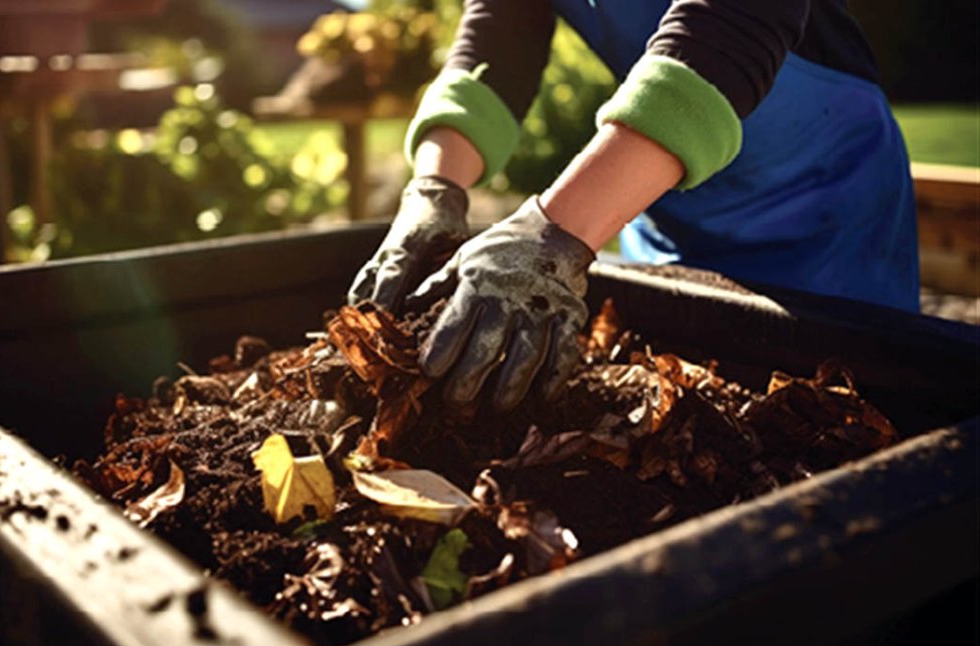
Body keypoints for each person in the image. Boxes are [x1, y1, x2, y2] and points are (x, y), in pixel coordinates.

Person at [348, 0, 917, 413]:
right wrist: (434, 188)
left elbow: (735, 23)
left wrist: (551, 237)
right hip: (657, 184)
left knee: (837, 418)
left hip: (822, 200)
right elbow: (499, 33)